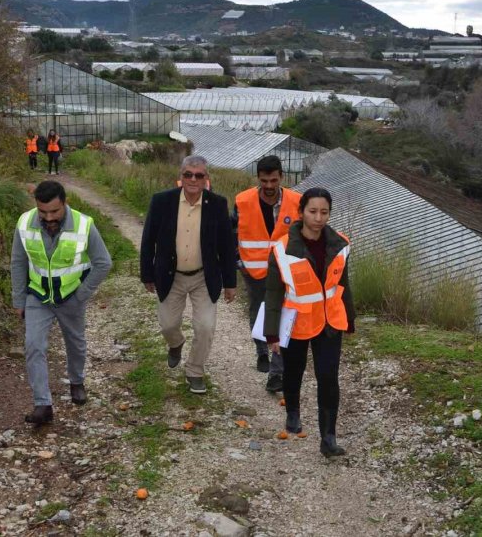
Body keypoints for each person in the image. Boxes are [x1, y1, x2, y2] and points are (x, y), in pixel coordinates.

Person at [263, 187, 356, 457]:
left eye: (324, 212)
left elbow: (343, 283)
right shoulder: (281, 249)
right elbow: (273, 293)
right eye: (313, 211)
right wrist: (273, 333)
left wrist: (349, 318)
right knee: (294, 371)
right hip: (297, 322)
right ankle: (292, 411)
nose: (318, 217)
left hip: (329, 323)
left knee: (328, 378)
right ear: (301, 212)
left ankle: (328, 437)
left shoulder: (340, 244)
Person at [11, 180, 113, 424]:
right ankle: (42, 405)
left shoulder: (84, 225)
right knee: (33, 345)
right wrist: (19, 299)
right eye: (42, 212)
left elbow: (103, 263)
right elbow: (18, 262)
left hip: (71, 298)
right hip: (38, 296)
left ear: (65, 203)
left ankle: (76, 382)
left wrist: (81, 295)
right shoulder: (25, 223)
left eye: (54, 211)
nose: (48, 217)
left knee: (75, 344)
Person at [140, 155, 237, 394]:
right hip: (170, 276)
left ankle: (195, 371)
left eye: (199, 175)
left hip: (204, 277)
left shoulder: (217, 204)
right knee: (168, 325)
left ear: (206, 179)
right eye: (188, 174)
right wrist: (147, 274)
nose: (193, 179)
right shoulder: (162, 201)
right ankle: (176, 343)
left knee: (205, 327)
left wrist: (230, 283)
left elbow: (226, 246)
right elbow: (148, 239)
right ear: (180, 177)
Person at [233, 155, 301, 393]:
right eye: (264, 181)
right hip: (254, 270)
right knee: (258, 309)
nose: (269, 186)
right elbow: (232, 232)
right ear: (258, 178)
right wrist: (237, 261)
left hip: (285, 272)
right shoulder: (242, 201)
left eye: (273, 180)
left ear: (281, 177)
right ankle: (261, 350)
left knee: (282, 316)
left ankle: (277, 372)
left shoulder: (297, 201)